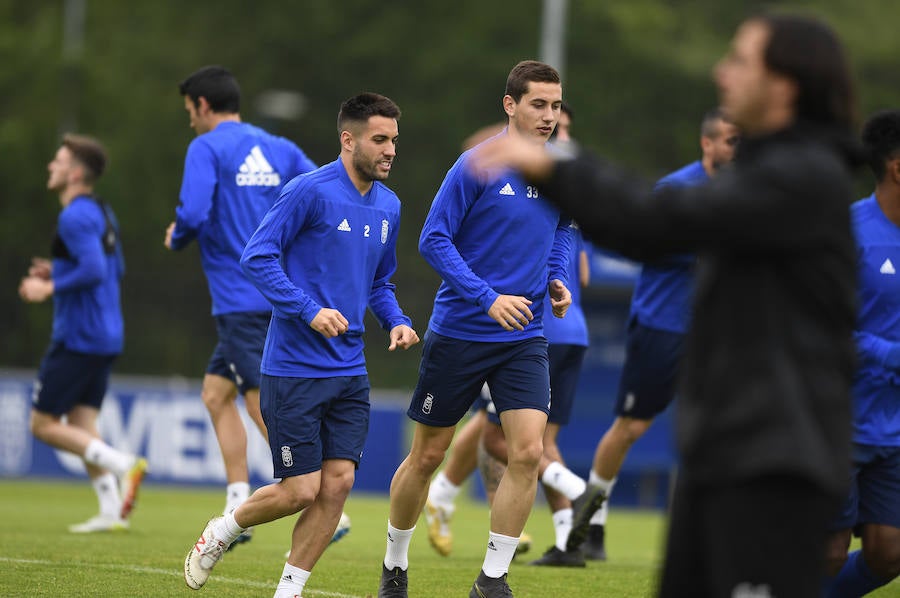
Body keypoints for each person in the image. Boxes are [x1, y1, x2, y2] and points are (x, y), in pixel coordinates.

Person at [473, 13, 861, 597]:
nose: (721, 72)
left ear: (785, 84)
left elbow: (655, 224)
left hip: (775, 465)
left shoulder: (804, 177)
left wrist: (558, 165)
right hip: (725, 457)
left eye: (740, 61)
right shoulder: (766, 167)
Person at [183, 92, 419, 598]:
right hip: (293, 368)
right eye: (380, 139)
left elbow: (380, 282)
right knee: (299, 490)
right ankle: (222, 530)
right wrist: (308, 308)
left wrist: (395, 320)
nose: (390, 150)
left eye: (394, 140)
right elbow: (258, 257)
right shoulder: (307, 191)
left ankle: (288, 592)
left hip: (351, 371)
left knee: (336, 486)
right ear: (348, 139)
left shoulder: (390, 205)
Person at [378, 60, 574, 598]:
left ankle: (492, 579)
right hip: (462, 332)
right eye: (538, 104)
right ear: (510, 105)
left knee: (528, 452)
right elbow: (433, 240)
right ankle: (395, 562)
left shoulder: (558, 172)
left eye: (555, 106)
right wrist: (487, 299)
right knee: (428, 456)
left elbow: (560, 232)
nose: (549, 116)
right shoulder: (476, 165)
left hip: (525, 336)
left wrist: (556, 279)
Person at [563, 108, 739, 555]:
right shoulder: (677, 189)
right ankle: (592, 522)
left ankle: (710, 533)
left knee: (717, 430)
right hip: (663, 326)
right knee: (631, 426)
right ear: (708, 144)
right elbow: (650, 244)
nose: (739, 151)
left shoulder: (745, 194)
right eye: (731, 141)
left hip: (717, 333)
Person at [164, 65, 317, 547]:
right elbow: (321, 194)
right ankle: (237, 495)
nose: (190, 120)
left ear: (203, 106)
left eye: (190, 111)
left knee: (258, 396)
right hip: (281, 290)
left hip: (239, 296)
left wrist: (178, 237)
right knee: (216, 393)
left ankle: (306, 487)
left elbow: (191, 212)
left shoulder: (205, 147)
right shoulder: (279, 147)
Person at [19, 134, 147, 533]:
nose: (50, 167)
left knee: (41, 424)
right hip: (107, 333)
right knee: (82, 421)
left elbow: (92, 271)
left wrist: (48, 287)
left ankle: (124, 463)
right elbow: (111, 270)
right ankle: (111, 510)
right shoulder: (102, 211)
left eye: (57, 161)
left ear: (75, 173)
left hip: (78, 336)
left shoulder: (74, 215)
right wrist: (56, 270)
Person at [823, 109, 900, 597]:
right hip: (838, 416)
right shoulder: (847, 230)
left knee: (889, 553)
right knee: (827, 552)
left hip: (895, 426)